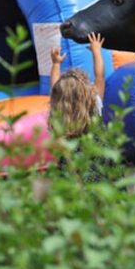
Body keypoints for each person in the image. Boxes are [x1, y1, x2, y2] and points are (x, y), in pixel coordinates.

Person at [48, 33, 108, 181]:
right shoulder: (94, 104)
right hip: (97, 166)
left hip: (71, 170)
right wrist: (96, 51)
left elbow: (55, 86)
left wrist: (56, 64)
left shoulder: (58, 113)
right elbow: (99, 76)